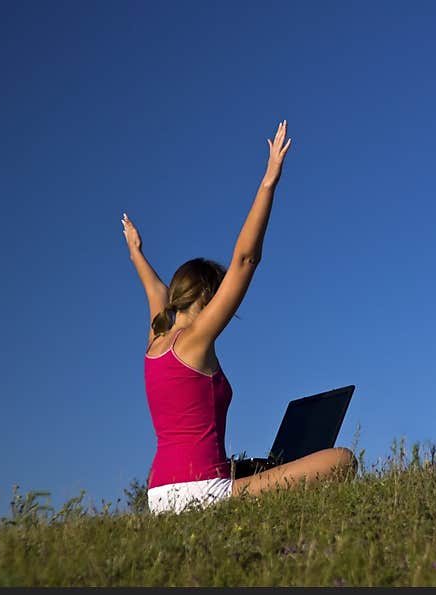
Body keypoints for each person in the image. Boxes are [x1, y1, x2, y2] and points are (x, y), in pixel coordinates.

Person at [122, 120, 357, 514]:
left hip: (158, 495)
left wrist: (136, 254)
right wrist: (268, 183)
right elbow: (245, 260)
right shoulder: (194, 341)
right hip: (200, 491)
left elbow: (154, 291)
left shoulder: (155, 343)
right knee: (342, 459)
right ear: (206, 296)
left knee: (257, 468)